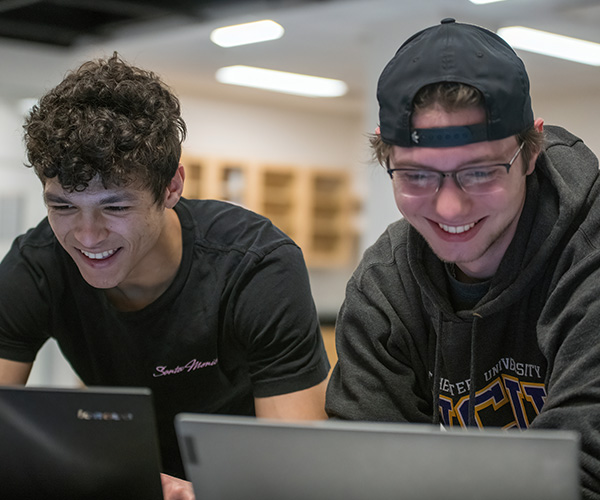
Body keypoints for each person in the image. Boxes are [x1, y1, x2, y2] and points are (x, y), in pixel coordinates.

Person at [0, 53, 330, 500]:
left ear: (172, 187)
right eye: (62, 206)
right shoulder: (38, 264)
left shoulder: (255, 267)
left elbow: (300, 472)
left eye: (115, 207)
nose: (86, 235)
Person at [325, 18, 600, 499]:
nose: (449, 208)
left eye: (480, 172)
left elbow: (582, 473)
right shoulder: (385, 283)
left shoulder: (588, 254)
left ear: (530, 150)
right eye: (415, 176)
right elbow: (365, 469)